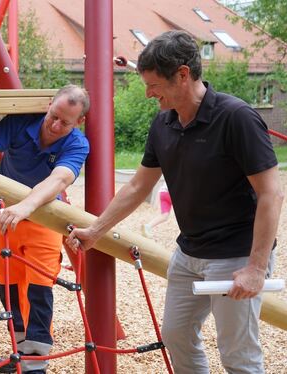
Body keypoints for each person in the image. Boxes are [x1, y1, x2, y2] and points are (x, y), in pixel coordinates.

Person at [67, 30, 283, 373]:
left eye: (153, 85)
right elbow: (138, 185)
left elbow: (271, 192)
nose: (148, 92)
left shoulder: (236, 117)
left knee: (237, 353)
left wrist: (256, 267)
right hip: (189, 252)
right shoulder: (164, 122)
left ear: (183, 74)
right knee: (176, 335)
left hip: (235, 253)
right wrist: (95, 230)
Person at [0, 85, 90, 374]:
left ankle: (36, 363)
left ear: (78, 122)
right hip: (3, 213)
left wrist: (25, 206)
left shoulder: (78, 144)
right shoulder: (21, 122)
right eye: (53, 116)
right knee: (7, 283)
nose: (56, 125)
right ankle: (20, 352)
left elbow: (58, 181)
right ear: (48, 105)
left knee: (39, 286)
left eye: (65, 122)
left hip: (42, 217)